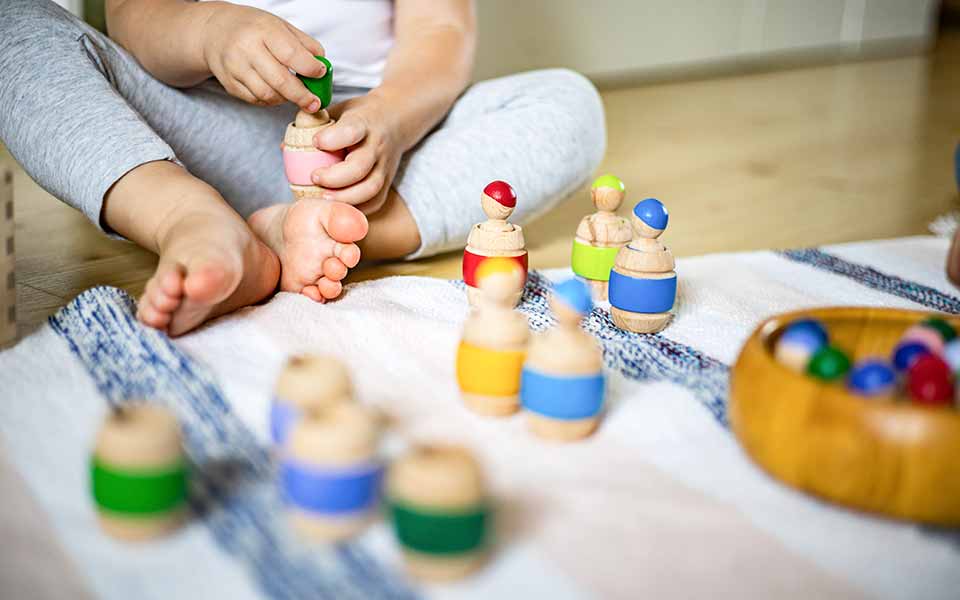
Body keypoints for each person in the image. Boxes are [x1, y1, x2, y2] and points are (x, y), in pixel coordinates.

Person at [0, 0, 605, 335]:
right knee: (15, 27)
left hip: (381, 151)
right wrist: (209, 32)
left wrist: (391, 119)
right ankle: (184, 215)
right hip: (201, 138)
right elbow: (134, 18)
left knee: (569, 103)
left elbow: (442, 30)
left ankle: (310, 237)